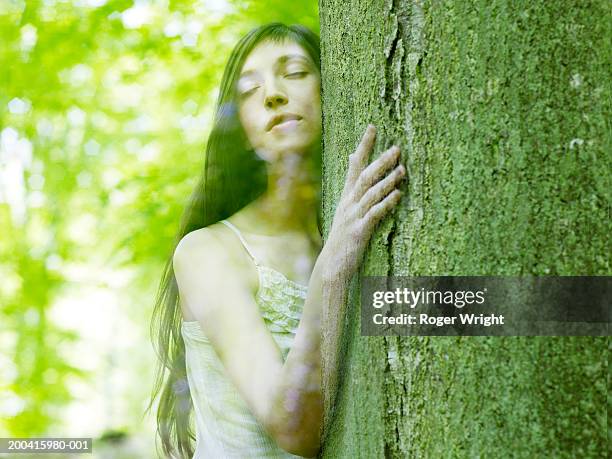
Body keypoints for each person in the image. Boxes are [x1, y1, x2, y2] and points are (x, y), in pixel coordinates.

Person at [147, 23, 405, 458]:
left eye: (295, 72)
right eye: (250, 89)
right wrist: (334, 264)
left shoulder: (343, 233)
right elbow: (292, 426)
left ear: (332, 87)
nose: (272, 94)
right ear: (242, 127)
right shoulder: (208, 252)